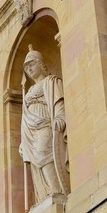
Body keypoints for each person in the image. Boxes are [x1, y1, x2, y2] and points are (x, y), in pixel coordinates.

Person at [20, 45, 69, 202]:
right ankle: (45, 194)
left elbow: (57, 101)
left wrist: (60, 117)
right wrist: (23, 140)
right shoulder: (28, 91)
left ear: (40, 64)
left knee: (43, 154)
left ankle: (57, 189)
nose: (29, 69)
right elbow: (25, 118)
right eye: (26, 67)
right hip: (31, 132)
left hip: (46, 125)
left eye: (31, 64)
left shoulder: (50, 81)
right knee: (37, 164)